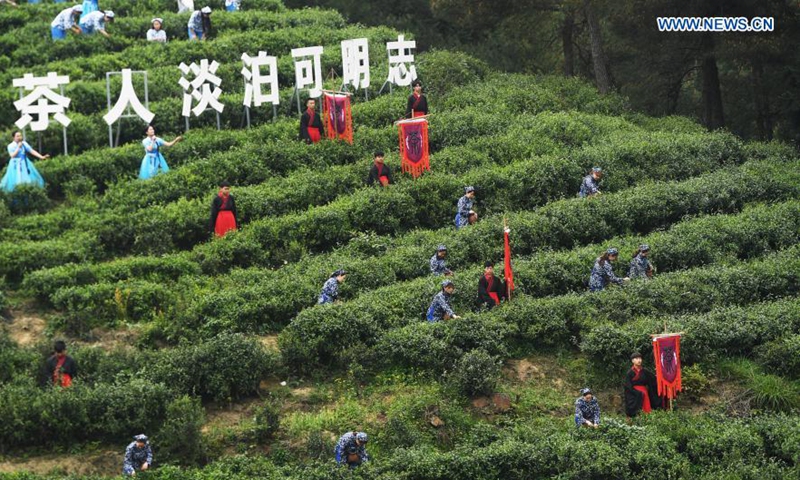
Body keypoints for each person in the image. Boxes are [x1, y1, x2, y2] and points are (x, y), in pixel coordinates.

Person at [624, 352, 662, 419]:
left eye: (640, 358)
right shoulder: (629, 373)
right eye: (636, 358)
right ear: (632, 361)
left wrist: (661, 377)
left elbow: (653, 380)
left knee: (646, 411)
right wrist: (637, 393)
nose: (639, 360)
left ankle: (646, 419)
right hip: (634, 393)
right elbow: (628, 386)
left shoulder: (645, 371)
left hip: (644, 393)